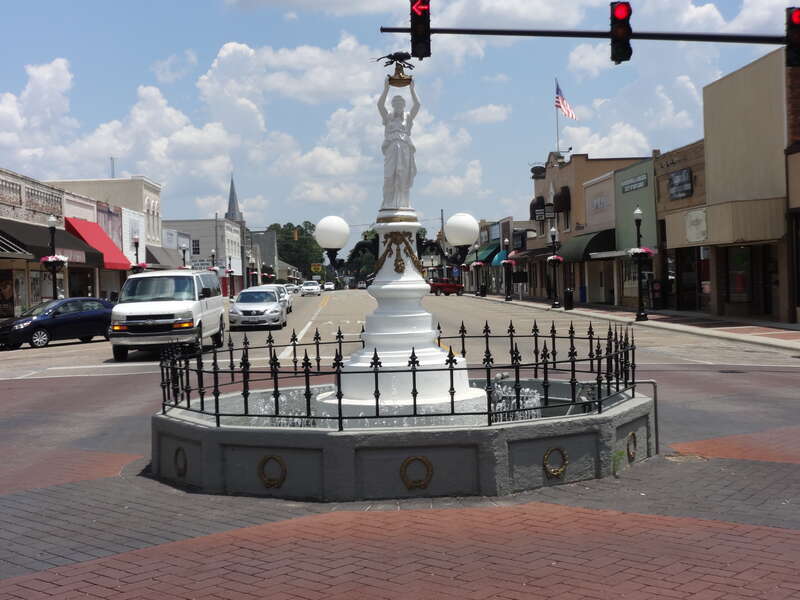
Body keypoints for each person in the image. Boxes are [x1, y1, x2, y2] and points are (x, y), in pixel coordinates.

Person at [377, 78, 420, 210]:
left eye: (401, 104)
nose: (399, 106)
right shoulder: (388, 117)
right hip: (391, 148)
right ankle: (388, 203)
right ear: (393, 105)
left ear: (404, 106)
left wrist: (412, 89)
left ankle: (403, 203)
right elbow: (379, 105)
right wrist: (386, 88)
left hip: (404, 148)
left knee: (402, 175)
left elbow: (417, 105)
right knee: (389, 175)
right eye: (396, 104)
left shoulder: (408, 117)